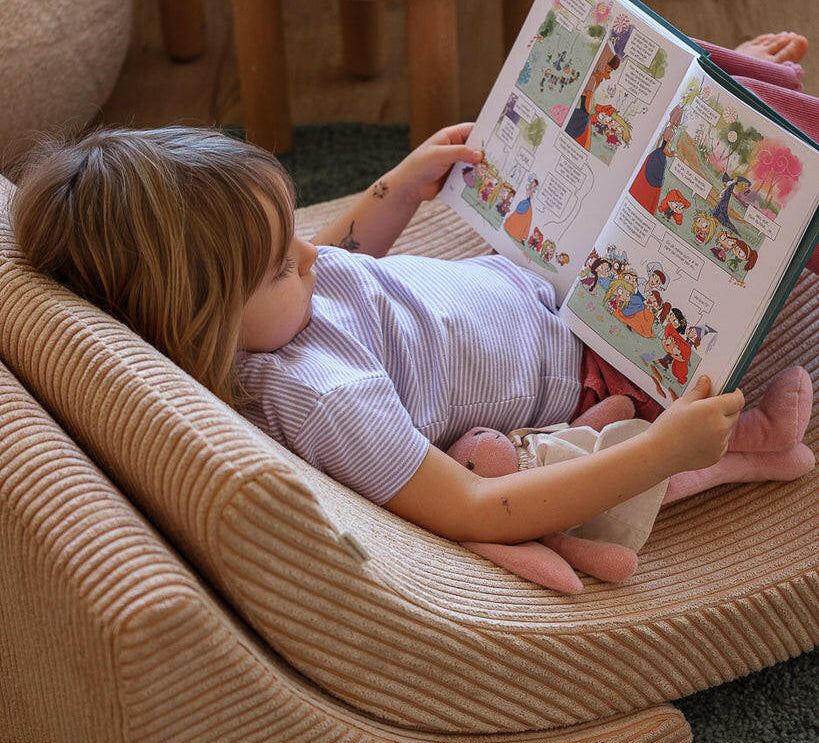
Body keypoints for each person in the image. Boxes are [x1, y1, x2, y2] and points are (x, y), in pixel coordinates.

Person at [12, 119, 814, 592]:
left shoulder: (265, 313)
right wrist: (659, 449)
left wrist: (394, 188)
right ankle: (725, 452)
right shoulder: (323, 396)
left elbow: (321, 264)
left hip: (537, 286)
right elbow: (470, 506)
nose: (307, 253)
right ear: (193, 327)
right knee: (755, 261)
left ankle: (705, 112)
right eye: (273, 261)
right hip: (585, 370)